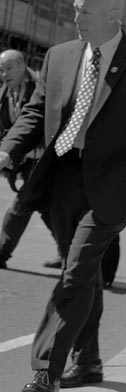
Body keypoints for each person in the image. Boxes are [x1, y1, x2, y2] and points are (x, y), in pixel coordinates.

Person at [0, 0, 126, 392]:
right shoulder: (60, 56)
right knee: (83, 273)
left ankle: (47, 372)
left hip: (118, 182)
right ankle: (90, 360)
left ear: (113, 16)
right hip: (63, 176)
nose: (75, 17)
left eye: (84, 10)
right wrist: (8, 149)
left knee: (78, 268)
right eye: (76, 9)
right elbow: (36, 111)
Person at [0, 49, 59, 269]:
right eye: (1, 70)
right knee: (45, 209)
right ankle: (70, 253)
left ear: (22, 66)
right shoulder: (6, 92)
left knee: (21, 204)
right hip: (22, 161)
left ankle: (1, 253)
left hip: (44, 160)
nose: (4, 74)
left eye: (8, 68)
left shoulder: (39, 87)